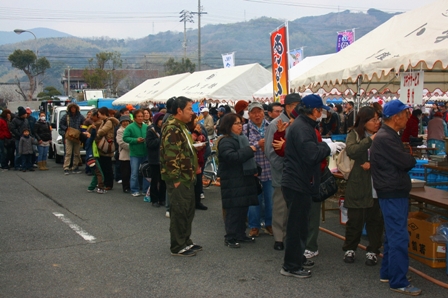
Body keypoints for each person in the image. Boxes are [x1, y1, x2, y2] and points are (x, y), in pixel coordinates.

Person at [280, 94, 341, 278]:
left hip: (299, 181)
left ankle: (297, 258)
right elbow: (311, 154)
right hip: (298, 182)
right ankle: (291, 266)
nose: (322, 113)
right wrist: (328, 148)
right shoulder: (302, 127)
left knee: (301, 225)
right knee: (296, 227)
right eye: (320, 110)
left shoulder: (302, 125)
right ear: (314, 111)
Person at [370, 100, 420, 296]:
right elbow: (406, 161)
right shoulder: (387, 138)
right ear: (397, 116)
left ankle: (389, 273)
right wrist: (409, 157)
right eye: (406, 114)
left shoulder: (386, 135)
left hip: (390, 190)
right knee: (398, 236)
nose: (408, 118)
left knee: (393, 235)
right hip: (392, 191)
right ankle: (398, 280)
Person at [160, 96, 202, 257]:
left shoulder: (181, 126)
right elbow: (170, 157)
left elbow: (183, 149)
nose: (192, 113)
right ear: (179, 110)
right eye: (189, 109)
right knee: (179, 211)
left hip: (187, 175)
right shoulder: (172, 128)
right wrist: (176, 179)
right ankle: (178, 246)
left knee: (187, 210)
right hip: (180, 177)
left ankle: (185, 241)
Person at [342, 107, 384, 266]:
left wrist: (373, 164)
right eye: (373, 119)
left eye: (378, 119)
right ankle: (350, 248)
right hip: (359, 183)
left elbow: (387, 156)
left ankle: (373, 250)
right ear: (364, 121)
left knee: (375, 220)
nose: (377, 122)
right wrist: (370, 140)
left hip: (377, 183)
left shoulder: (382, 135)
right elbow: (351, 150)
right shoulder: (354, 134)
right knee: (355, 220)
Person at [264, 93, 301, 251]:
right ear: (287, 107)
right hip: (282, 171)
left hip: (298, 172)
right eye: (295, 106)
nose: (298, 109)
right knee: (280, 205)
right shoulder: (275, 124)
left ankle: (292, 236)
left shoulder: (301, 122)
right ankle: (279, 237)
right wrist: (283, 167)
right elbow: (269, 151)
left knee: (295, 207)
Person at [218, 113, 258, 248]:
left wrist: (256, 169)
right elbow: (231, 157)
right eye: (236, 123)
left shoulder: (242, 139)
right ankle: (230, 237)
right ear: (228, 125)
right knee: (233, 210)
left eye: (241, 122)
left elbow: (248, 160)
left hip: (244, 179)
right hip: (232, 180)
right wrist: (249, 150)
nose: (240, 125)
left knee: (243, 208)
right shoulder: (226, 141)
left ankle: (240, 234)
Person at [243, 102, 273, 237]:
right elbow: (242, 150)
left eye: (259, 112)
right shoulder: (244, 129)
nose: (257, 115)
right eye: (253, 112)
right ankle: (254, 226)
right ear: (249, 115)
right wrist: (257, 144)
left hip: (270, 170)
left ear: (263, 112)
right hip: (253, 170)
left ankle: (269, 224)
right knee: (254, 200)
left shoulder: (271, 126)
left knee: (270, 200)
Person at [123, 109, 149, 197]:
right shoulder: (130, 127)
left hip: (145, 152)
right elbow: (125, 138)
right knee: (134, 173)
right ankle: (134, 189)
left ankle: (145, 190)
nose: (141, 118)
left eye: (142, 116)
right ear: (134, 118)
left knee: (146, 172)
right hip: (135, 153)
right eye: (139, 116)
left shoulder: (146, 126)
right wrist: (135, 140)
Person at [187, 114, 208, 211]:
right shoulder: (185, 128)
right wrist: (195, 134)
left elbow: (203, 137)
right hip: (189, 159)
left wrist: (201, 139)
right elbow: (188, 142)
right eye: (194, 119)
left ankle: (197, 201)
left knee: (198, 181)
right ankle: (190, 203)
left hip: (198, 158)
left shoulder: (199, 127)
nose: (196, 121)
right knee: (191, 182)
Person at [145, 112, 166, 207]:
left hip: (164, 158)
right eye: (161, 120)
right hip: (154, 158)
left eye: (163, 120)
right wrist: (160, 139)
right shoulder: (151, 130)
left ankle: (162, 199)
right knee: (155, 179)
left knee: (163, 180)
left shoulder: (165, 130)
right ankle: (154, 199)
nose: (162, 122)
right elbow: (149, 144)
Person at [96, 107, 119, 190]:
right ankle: (105, 182)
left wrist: (98, 133)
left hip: (107, 145)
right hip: (104, 145)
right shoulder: (104, 121)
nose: (98, 115)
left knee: (107, 166)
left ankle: (109, 184)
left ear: (102, 113)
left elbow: (102, 131)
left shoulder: (108, 121)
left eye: (99, 113)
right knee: (104, 165)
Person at [59, 103, 85, 175]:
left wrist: (81, 127)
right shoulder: (66, 116)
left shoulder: (80, 116)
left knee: (77, 153)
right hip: (69, 136)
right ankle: (66, 167)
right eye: (72, 108)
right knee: (68, 152)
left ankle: (75, 167)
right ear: (69, 109)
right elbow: (61, 124)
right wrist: (66, 129)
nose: (73, 109)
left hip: (77, 136)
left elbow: (84, 123)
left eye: (74, 108)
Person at [117, 115, 131, 193]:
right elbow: (121, 142)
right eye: (124, 121)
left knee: (132, 171)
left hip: (133, 153)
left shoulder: (131, 129)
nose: (125, 123)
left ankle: (131, 186)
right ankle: (125, 187)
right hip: (124, 153)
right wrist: (132, 146)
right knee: (125, 172)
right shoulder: (120, 131)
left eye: (127, 121)